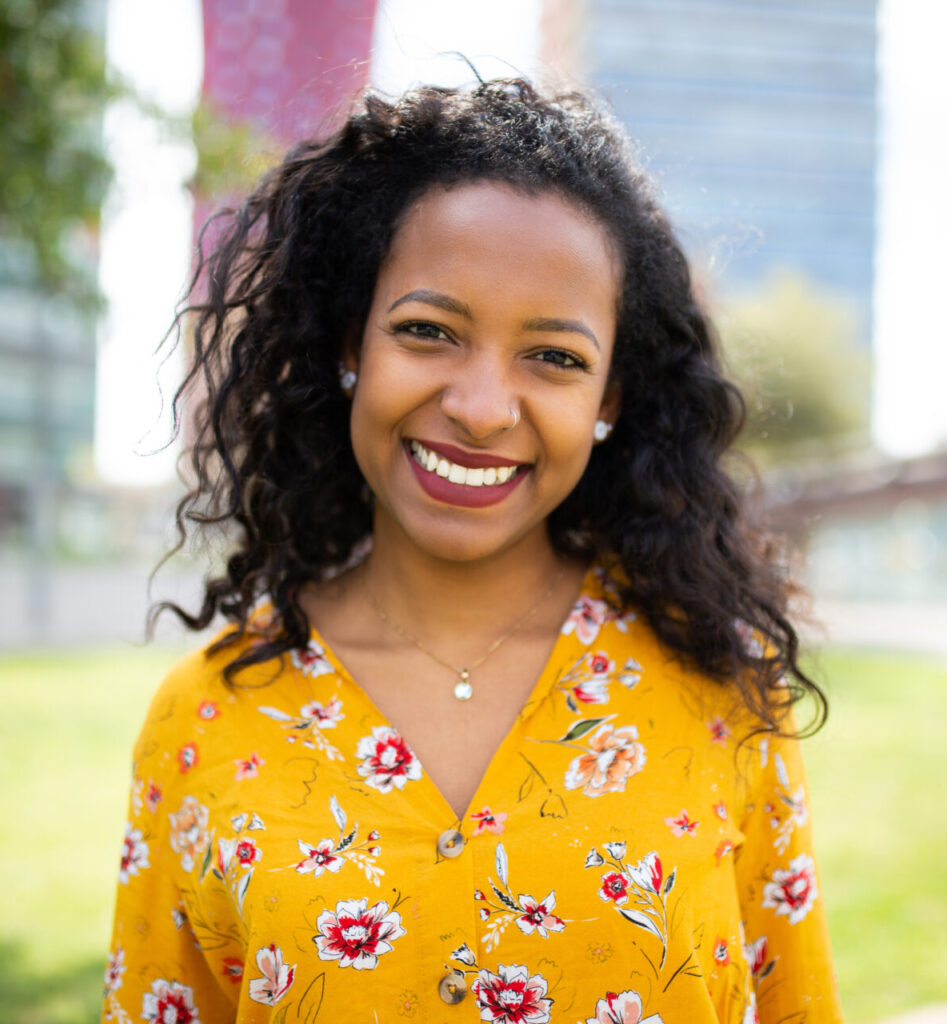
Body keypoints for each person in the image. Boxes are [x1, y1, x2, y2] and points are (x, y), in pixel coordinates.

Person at [103, 79, 843, 1023]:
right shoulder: (206, 721)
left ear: (609, 400)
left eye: (555, 357)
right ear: (349, 348)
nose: (484, 407)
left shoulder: (721, 690)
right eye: (426, 332)